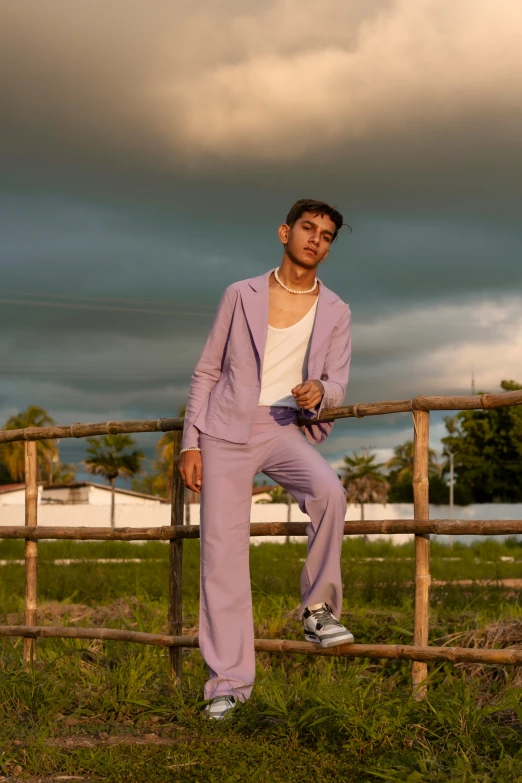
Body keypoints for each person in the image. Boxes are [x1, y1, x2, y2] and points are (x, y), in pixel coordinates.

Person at [179, 198, 353, 720]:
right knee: (222, 555)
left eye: (326, 235)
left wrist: (318, 390)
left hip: (283, 427)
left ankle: (318, 610)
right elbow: (207, 371)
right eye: (308, 228)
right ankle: (227, 686)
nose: (315, 239)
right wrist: (191, 440)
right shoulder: (241, 293)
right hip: (226, 430)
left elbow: (338, 381)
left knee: (329, 491)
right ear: (285, 232)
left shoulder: (338, 310)